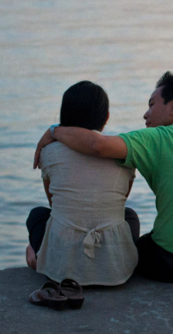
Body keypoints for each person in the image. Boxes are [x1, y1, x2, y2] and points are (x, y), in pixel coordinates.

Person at [34, 72, 173, 283]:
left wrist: (54, 131)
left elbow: (97, 145)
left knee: (141, 248)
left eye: (152, 105)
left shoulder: (156, 137)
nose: (146, 114)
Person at [27, 81, 139, 286]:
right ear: (106, 117)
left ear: (64, 115)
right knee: (129, 215)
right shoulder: (123, 153)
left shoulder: (48, 153)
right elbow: (119, 203)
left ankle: (37, 255)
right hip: (116, 271)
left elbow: (54, 205)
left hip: (61, 268)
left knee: (37, 215)